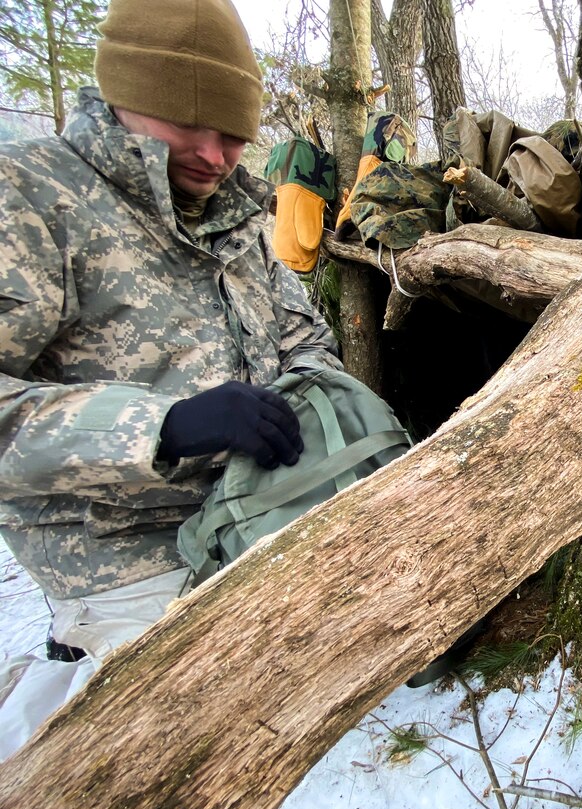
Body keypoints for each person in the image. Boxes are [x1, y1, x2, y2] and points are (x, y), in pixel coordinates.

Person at [0, 0, 341, 758]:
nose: (216, 156)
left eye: (234, 134)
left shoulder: (233, 213)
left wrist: (323, 399)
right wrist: (163, 425)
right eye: (191, 125)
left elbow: (303, 336)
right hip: (125, 557)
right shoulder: (30, 197)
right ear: (128, 93)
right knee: (169, 756)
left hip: (257, 509)